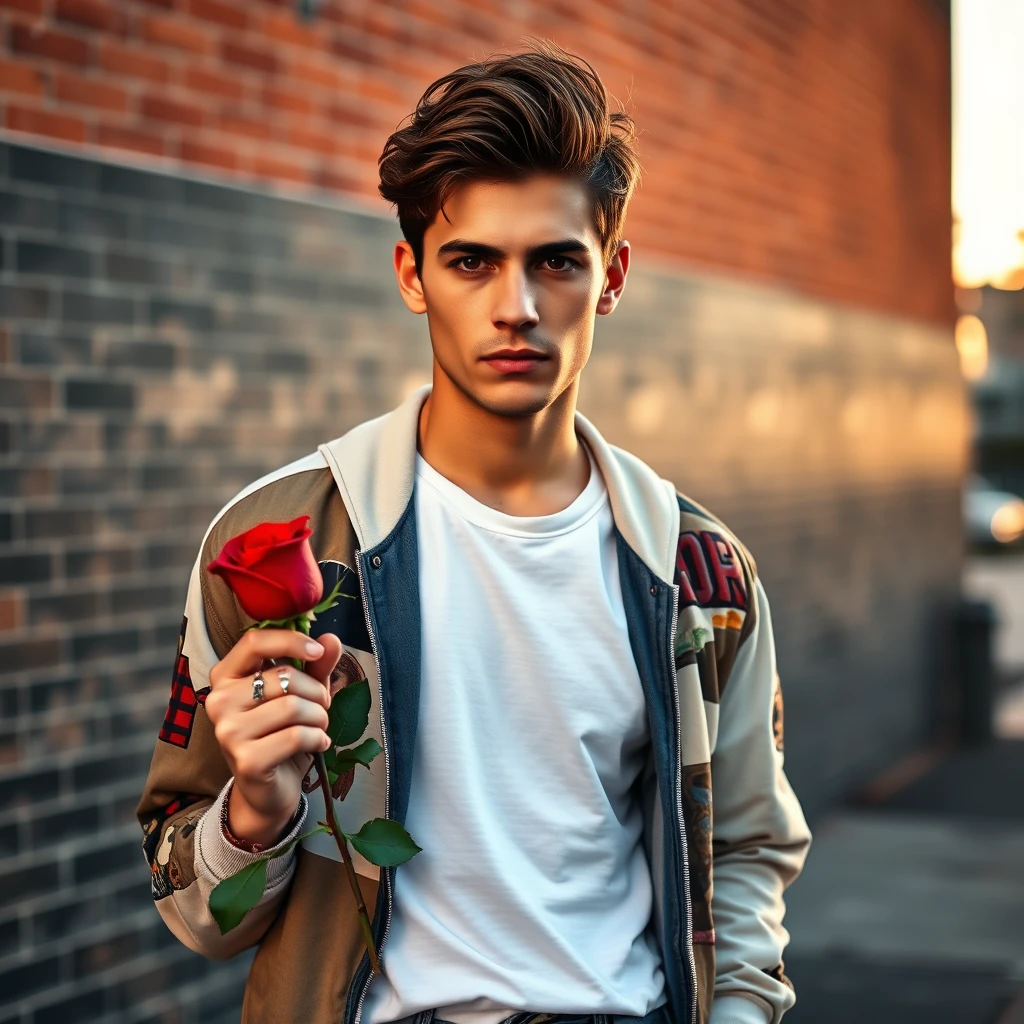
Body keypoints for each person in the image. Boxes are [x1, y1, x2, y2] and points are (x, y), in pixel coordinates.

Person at [136, 42, 810, 1024]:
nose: (517, 308)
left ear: (611, 276)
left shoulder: (699, 573)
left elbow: (743, 848)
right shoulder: (277, 538)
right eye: (472, 261)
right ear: (412, 274)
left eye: (555, 261)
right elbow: (196, 911)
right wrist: (254, 810)